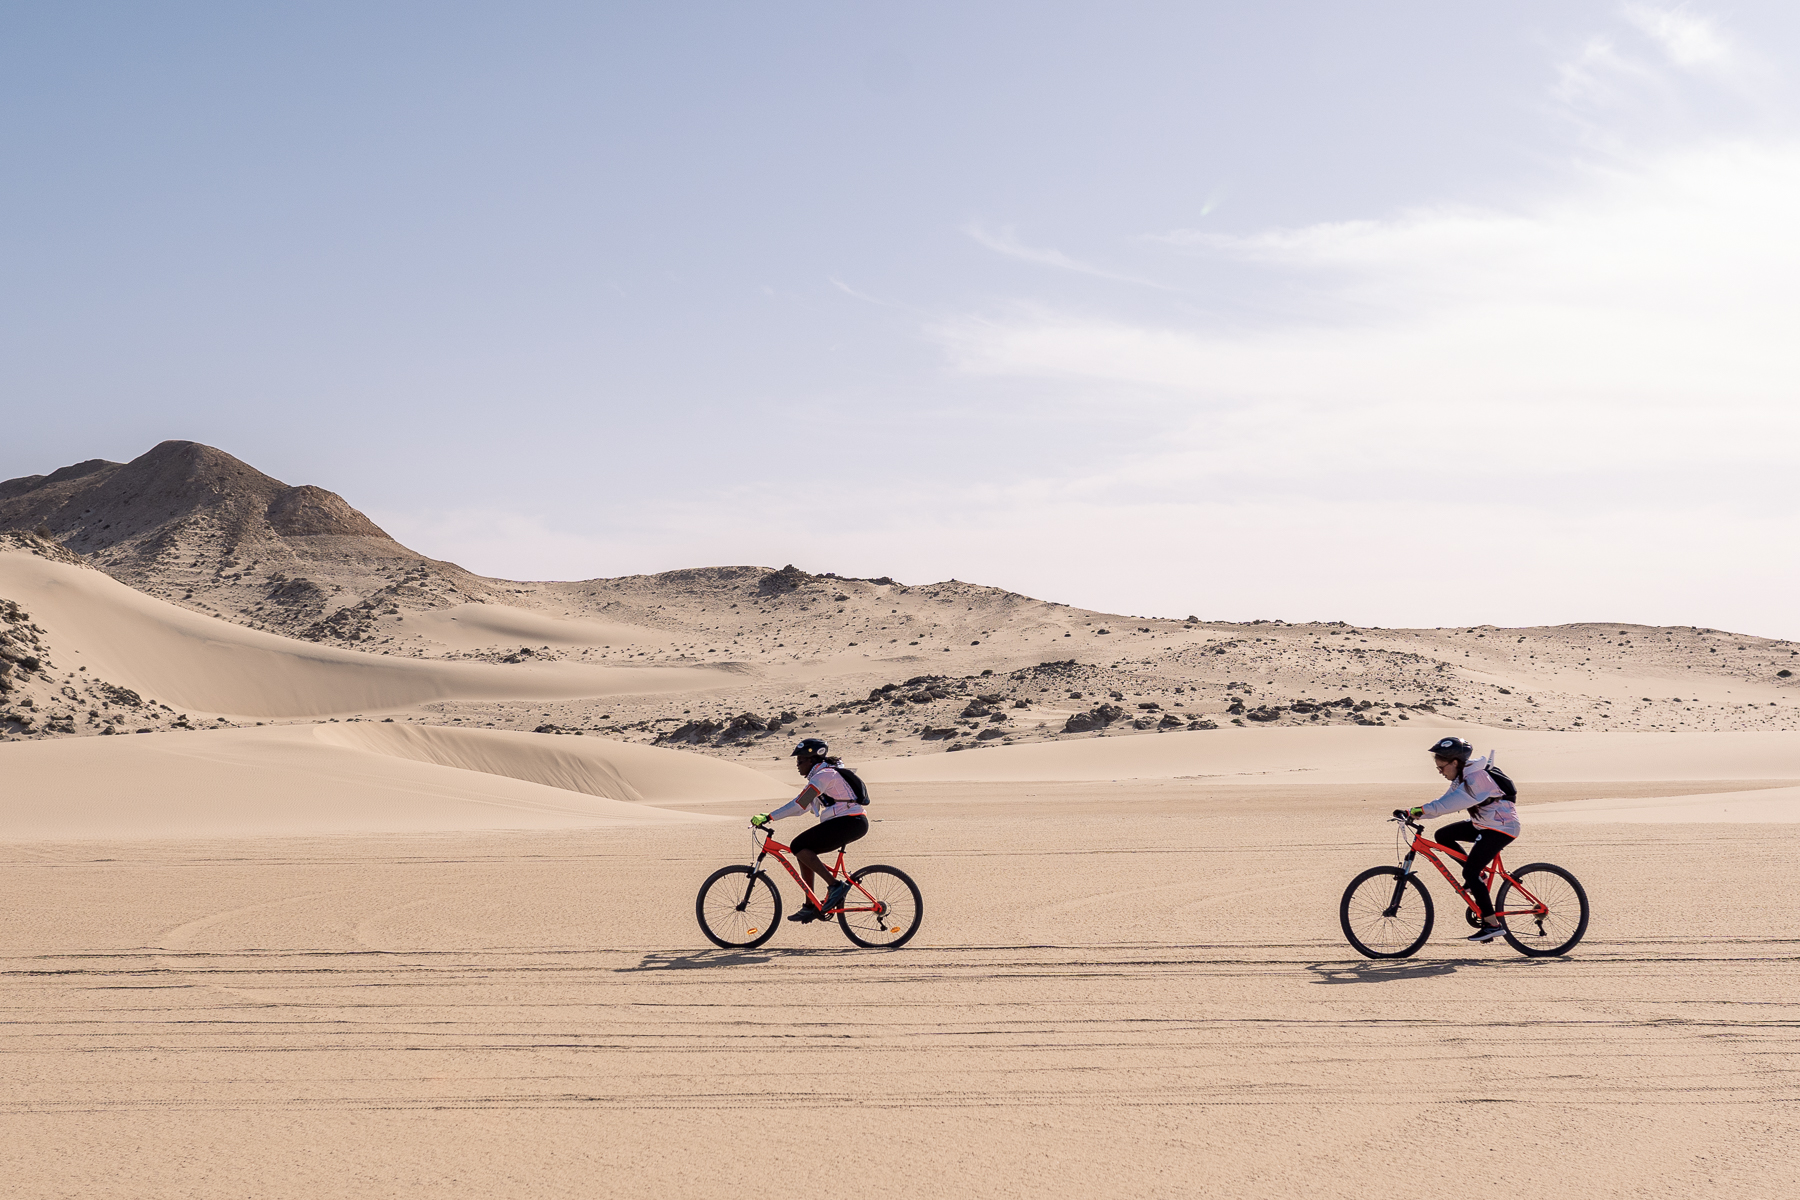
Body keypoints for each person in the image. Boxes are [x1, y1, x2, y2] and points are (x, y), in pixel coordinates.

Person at [1403, 736, 1519, 943]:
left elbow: (1448, 804)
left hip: (1501, 827)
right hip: (1484, 823)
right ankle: (1479, 877)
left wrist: (1418, 810)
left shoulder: (1476, 779)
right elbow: (1443, 804)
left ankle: (1492, 924)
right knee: (1443, 836)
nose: (1440, 772)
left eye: (1441, 767)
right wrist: (1415, 813)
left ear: (1455, 762)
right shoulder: (1462, 777)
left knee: (1470, 872)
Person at [751, 738, 869, 922]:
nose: (797, 765)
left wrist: (769, 816)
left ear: (812, 760)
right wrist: (775, 816)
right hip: (848, 822)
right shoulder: (822, 776)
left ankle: (835, 885)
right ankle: (810, 905)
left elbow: (799, 804)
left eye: (800, 760)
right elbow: (805, 808)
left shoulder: (824, 776)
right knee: (804, 850)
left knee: (798, 845)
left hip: (850, 822)